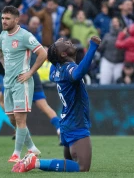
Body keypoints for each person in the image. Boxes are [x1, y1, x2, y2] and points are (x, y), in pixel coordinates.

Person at [12, 35, 101, 173]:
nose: (69, 41)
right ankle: (35, 162)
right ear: (63, 54)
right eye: (65, 43)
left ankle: (34, 162)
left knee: (69, 165)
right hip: (76, 123)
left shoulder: (56, 70)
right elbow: (79, 73)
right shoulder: (67, 69)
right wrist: (93, 48)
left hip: (66, 122)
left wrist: (56, 48)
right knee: (82, 168)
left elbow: (55, 65)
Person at [0, 6, 48, 163]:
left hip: (21, 82)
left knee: (20, 119)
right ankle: (31, 147)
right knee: (12, 119)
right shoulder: (3, 36)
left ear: (16, 20)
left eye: (7, 19)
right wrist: (5, 65)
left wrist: (30, 72)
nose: (4, 21)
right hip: (8, 83)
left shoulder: (25, 36)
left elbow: (43, 53)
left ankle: (16, 154)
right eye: (3, 18)